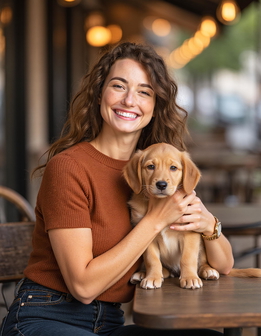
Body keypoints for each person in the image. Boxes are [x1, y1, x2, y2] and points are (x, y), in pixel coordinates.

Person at [0, 42, 234, 336]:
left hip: (109, 323)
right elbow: (83, 286)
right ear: (100, 94)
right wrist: (156, 220)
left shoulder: (158, 168)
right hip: (49, 316)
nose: (129, 100)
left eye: (144, 92)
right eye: (119, 86)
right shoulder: (69, 168)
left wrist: (209, 224)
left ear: (155, 105)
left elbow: (224, 265)